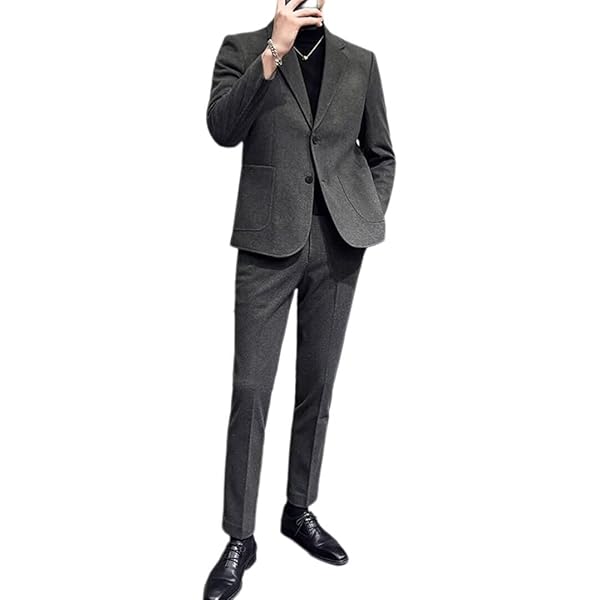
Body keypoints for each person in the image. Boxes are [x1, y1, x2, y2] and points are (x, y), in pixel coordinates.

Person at [203, 1, 395, 597]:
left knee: (317, 386)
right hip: (266, 245)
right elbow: (222, 129)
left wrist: (363, 212)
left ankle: (298, 508)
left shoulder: (360, 63)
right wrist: (274, 51)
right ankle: (240, 537)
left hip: (337, 246)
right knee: (251, 390)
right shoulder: (242, 47)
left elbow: (381, 154)